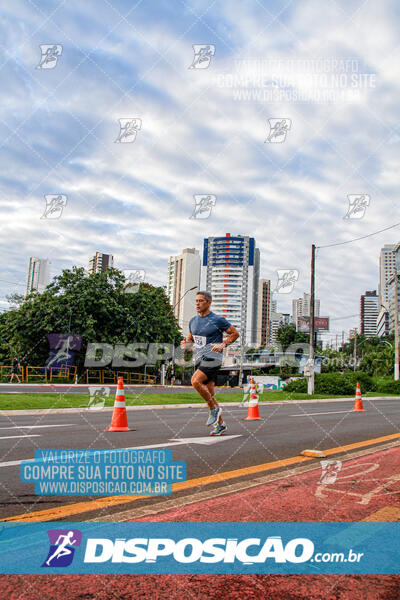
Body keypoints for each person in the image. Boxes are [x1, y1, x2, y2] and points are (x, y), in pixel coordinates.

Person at [181, 291, 239, 435]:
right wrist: (186, 343)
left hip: (213, 358)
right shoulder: (193, 321)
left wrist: (223, 344)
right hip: (200, 359)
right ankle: (221, 425)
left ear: (208, 303)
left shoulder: (217, 319)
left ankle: (214, 410)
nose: (197, 304)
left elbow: (235, 333)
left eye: (201, 301)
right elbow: (192, 339)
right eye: (196, 301)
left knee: (195, 381)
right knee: (210, 395)